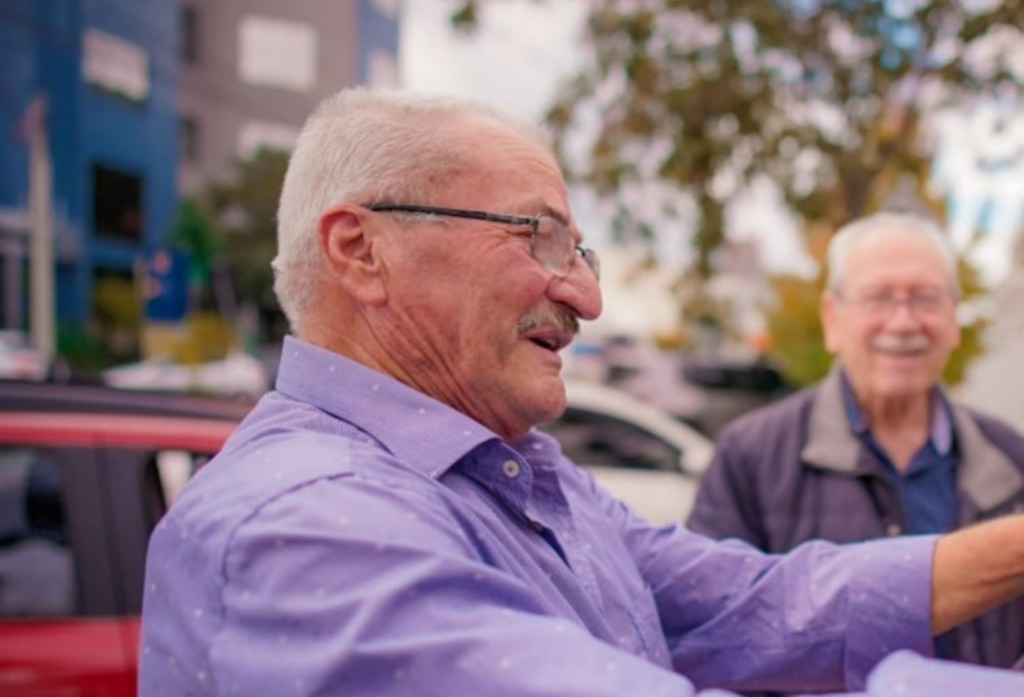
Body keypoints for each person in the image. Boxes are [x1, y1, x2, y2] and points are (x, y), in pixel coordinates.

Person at [138, 89, 1024, 697]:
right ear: (361, 250)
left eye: (581, 251)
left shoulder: (514, 476)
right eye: (541, 238)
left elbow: (759, 604)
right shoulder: (304, 528)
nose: (586, 297)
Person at [688, 211, 1024, 671]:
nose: (903, 322)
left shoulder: (1010, 458)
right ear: (833, 318)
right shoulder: (752, 455)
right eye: (878, 298)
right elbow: (712, 629)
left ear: (952, 319)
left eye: (925, 298)